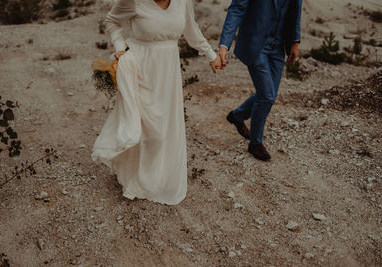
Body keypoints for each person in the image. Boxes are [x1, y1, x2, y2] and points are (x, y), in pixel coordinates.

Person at [91, 0, 222, 205]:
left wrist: (210, 54)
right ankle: (139, 178)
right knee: (146, 124)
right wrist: (120, 49)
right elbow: (112, 21)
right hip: (141, 67)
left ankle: (158, 177)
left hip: (167, 69)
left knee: (163, 127)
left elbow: (191, 28)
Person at [218, 0, 303, 161]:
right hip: (255, 45)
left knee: (267, 95)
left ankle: (237, 116)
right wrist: (224, 46)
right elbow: (236, 9)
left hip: (278, 47)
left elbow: (296, 11)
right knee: (267, 96)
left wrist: (295, 41)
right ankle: (255, 143)